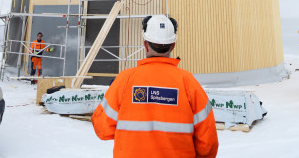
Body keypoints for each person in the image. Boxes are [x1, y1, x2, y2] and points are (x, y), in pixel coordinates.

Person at [92, 15, 219, 158]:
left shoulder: (125, 79)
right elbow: (208, 144)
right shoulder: (188, 82)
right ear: (173, 45)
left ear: (145, 44)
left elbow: (102, 129)